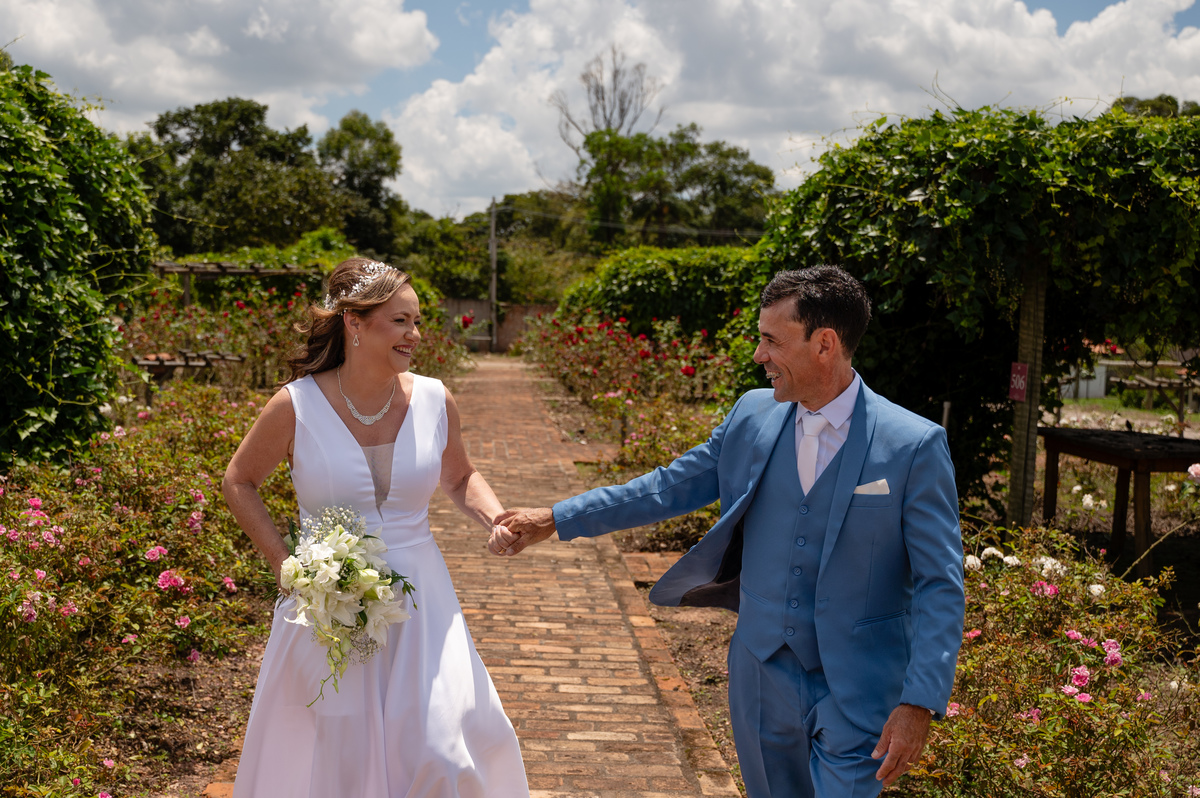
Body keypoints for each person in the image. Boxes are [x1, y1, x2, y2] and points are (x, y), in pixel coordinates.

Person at [489, 265, 964, 798]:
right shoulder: (751, 417)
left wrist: (920, 701)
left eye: (771, 340)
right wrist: (555, 518)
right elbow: (665, 487)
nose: (759, 355)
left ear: (825, 343)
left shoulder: (914, 445)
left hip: (859, 686)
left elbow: (939, 583)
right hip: (761, 673)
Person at [223, 258, 528, 797]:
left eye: (416, 321)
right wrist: (287, 566)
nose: (416, 334)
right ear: (354, 323)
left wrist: (497, 518)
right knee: (335, 760)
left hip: (424, 606)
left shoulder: (434, 399)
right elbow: (239, 481)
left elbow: (459, 478)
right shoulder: (295, 405)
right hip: (326, 610)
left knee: (441, 749)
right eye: (400, 321)